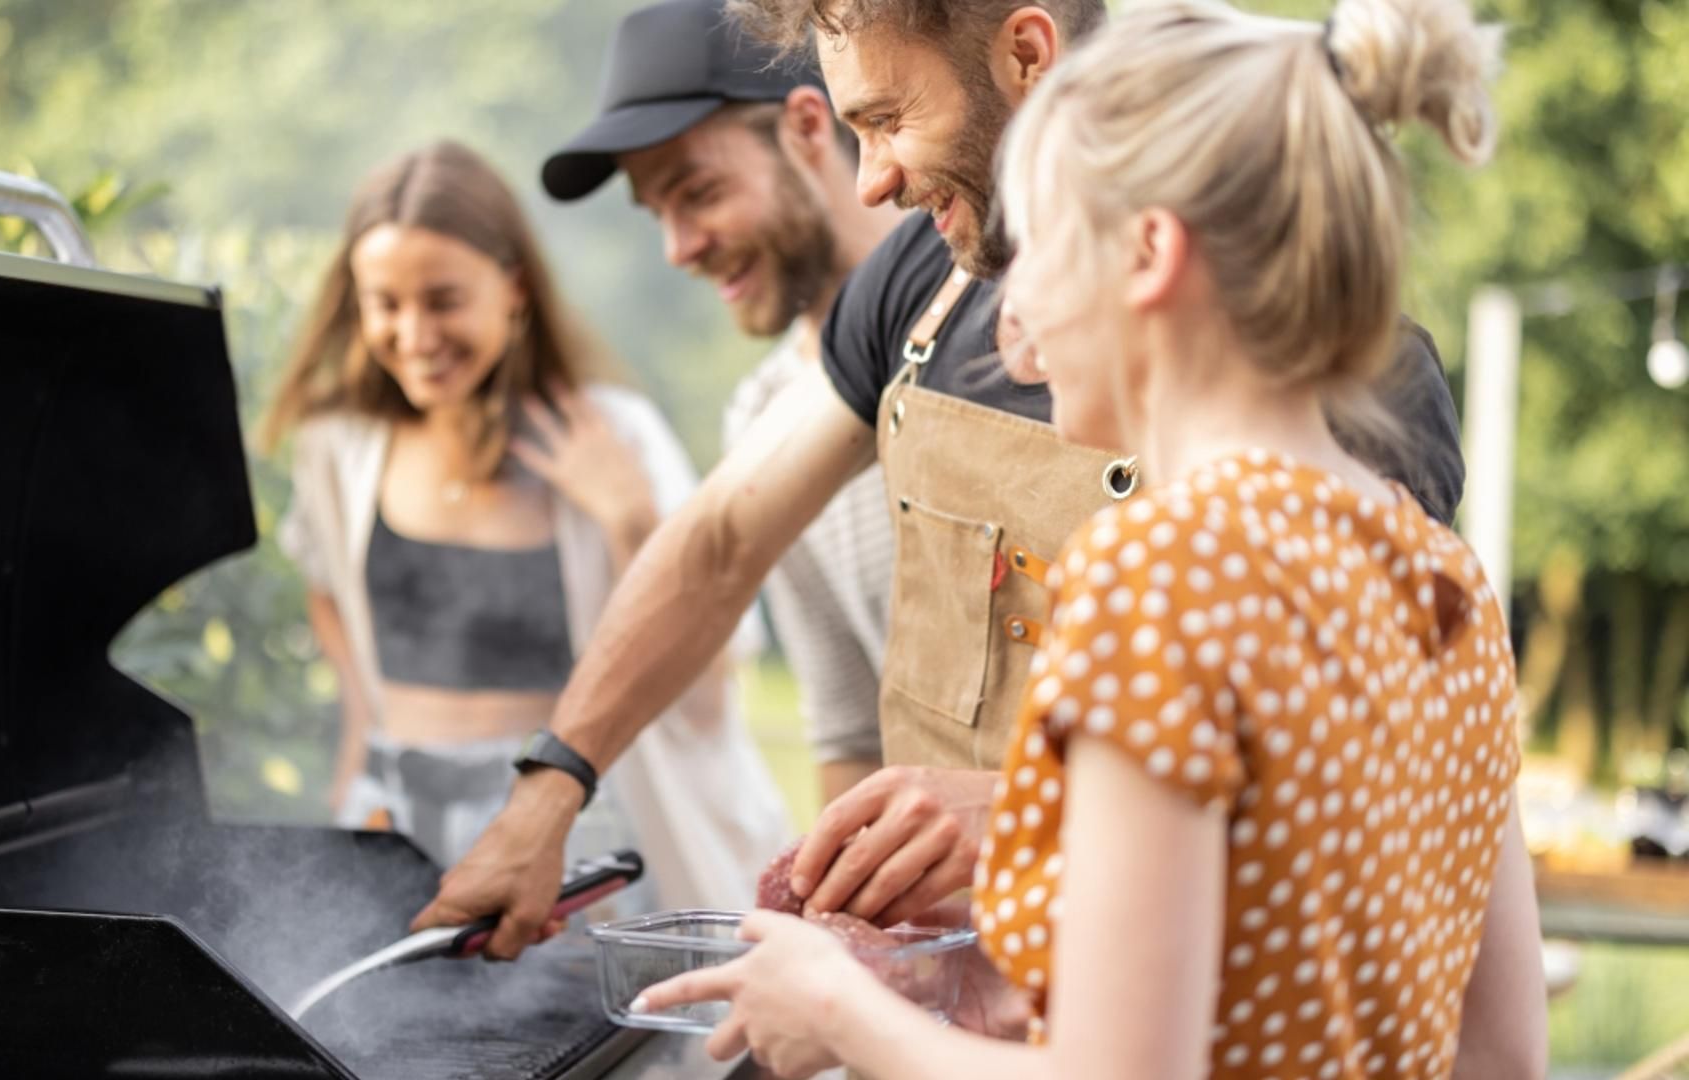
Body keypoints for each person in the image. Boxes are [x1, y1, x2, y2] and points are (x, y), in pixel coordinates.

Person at [411, 0, 1468, 957]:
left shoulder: (1345, 392)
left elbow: (1348, 809)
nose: (869, 183)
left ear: (1026, 54)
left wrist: (1023, 816)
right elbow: (724, 539)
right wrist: (548, 794)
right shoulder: (920, 277)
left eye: (884, 120)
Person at [636, 1, 1548, 1075]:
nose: (1008, 320)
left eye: (1040, 249)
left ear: (1150, 255)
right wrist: (1008, 991)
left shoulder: (1153, 573)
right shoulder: (1437, 577)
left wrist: (837, 1012)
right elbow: (1502, 1060)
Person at [262, 141, 790, 911]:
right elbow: (327, 589)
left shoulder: (615, 433)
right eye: (385, 303)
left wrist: (630, 516)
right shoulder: (339, 446)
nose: (414, 335)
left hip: (561, 825)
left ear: (512, 288)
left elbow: (708, 680)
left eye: (443, 300)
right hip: (391, 817)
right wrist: (358, 739)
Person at [542, 0, 906, 805]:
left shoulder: (991, 316)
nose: (679, 249)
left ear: (808, 127)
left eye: (698, 192)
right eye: (658, 215)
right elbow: (850, 733)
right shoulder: (759, 416)